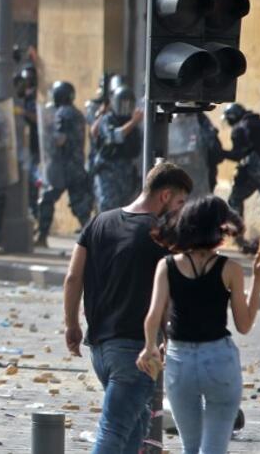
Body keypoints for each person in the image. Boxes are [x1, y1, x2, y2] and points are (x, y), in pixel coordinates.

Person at [62, 161, 193, 454]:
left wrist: (71, 323)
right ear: (165, 196)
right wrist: (173, 343)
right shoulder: (164, 236)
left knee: (135, 429)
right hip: (136, 352)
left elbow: (72, 277)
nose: (181, 211)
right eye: (180, 202)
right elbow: (173, 297)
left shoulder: (99, 222)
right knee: (114, 432)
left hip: (99, 349)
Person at [137, 196, 260, 454]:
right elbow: (244, 324)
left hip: (179, 361)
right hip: (219, 360)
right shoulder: (229, 269)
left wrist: (149, 347)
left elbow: (153, 315)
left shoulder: (166, 266)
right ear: (219, 228)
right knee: (213, 448)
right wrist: (259, 280)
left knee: (191, 447)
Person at [221, 103, 260, 257]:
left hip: (254, 171)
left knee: (234, 200)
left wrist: (220, 153)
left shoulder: (239, 129)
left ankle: (239, 238)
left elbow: (238, 155)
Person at [37, 81, 95, 248]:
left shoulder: (61, 113)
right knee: (81, 207)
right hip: (76, 165)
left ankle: (42, 235)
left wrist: (47, 132)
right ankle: (92, 239)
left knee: (47, 200)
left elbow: (60, 140)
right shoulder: (76, 113)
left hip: (61, 167)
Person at [91, 86, 144, 212]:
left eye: (128, 104)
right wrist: (133, 122)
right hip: (108, 171)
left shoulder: (134, 124)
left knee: (125, 208)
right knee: (107, 206)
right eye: (122, 103)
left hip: (126, 172)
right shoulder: (107, 119)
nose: (125, 107)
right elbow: (114, 136)